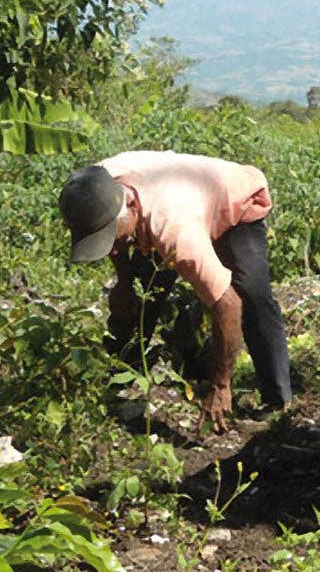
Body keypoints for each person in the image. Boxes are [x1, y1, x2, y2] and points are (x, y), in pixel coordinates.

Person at [58, 150, 292, 432]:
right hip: (174, 202)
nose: (114, 248)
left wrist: (220, 384)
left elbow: (227, 304)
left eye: (112, 238)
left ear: (132, 208)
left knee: (251, 295)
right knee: (140, 295)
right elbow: (114, 241)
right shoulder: (93, 189)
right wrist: (124, 280)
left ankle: (277, 401)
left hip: (236, 202)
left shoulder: (174, 230)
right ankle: (121, 374)